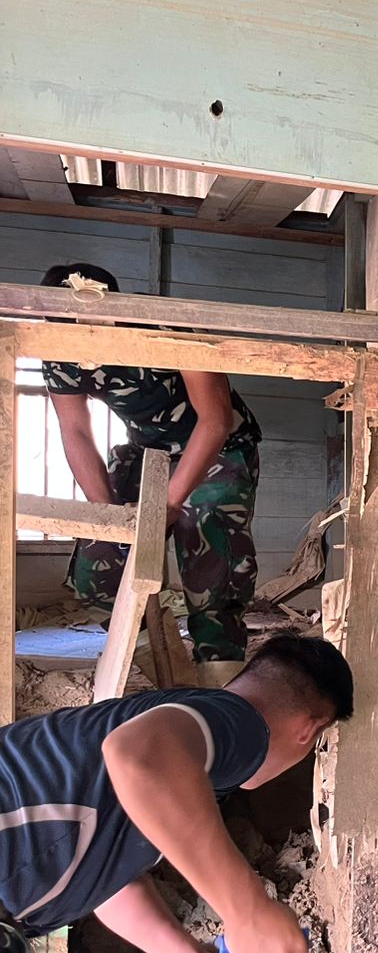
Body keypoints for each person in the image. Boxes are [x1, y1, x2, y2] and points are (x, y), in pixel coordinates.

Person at [0, 634, 353, 953]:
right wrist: (247, 910)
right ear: (310, 731)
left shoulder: (183, 730)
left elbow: (108, 882)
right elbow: (140, 755)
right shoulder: (243, 725)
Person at [39, 263, 263, 683]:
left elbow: (215, 421)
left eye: (98, 319)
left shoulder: (166, 328)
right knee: (100, 557)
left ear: (118, 307)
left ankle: (219, 677)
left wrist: (171, 503)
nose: (88, 330)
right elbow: (75, 431)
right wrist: (107, 517)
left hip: (219, 446)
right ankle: (159, 660)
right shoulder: (58, 349)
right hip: (149, 452)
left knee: (208, 543)